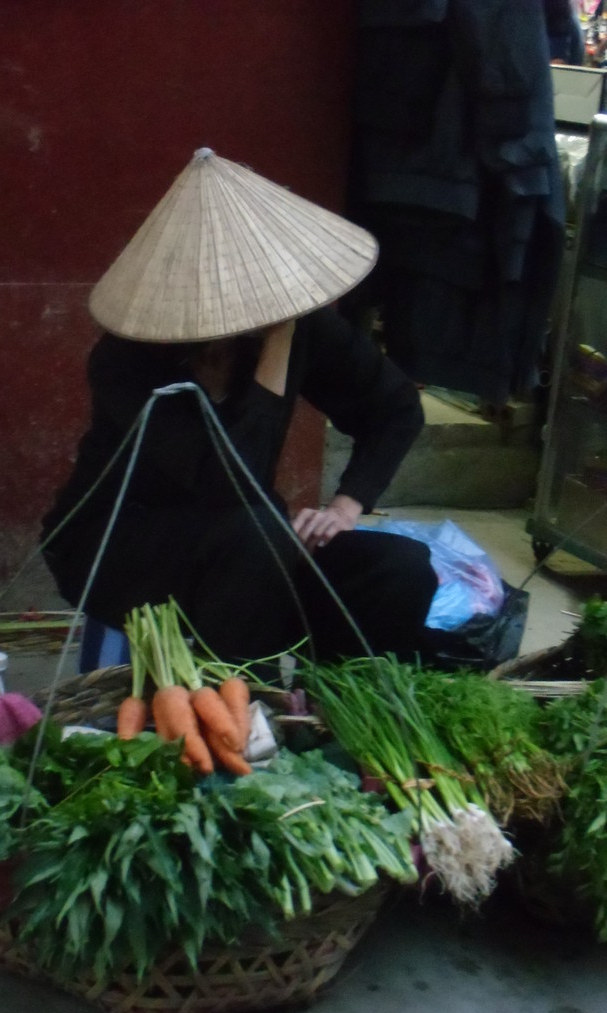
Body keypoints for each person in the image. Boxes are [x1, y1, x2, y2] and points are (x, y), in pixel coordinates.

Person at [41, 149, 438, 669]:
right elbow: (232, 480)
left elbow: (395, 407)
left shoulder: (303, 326)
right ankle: (245, 709)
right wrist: (277, 348)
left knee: (400, 569)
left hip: (249, 542)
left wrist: (346, 506)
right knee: (255, 537)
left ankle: (335, 707)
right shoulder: (127, 360)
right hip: (121, 543)